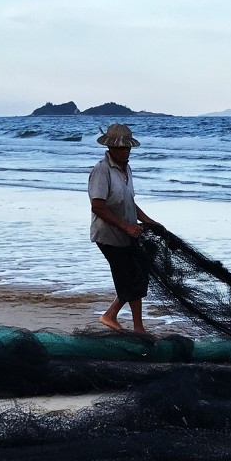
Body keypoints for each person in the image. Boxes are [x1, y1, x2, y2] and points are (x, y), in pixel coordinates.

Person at [88, 123, 161, 333]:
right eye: (120, 148)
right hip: (109, 236)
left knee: (136, 277)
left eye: (127, 148)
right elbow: (98, 207)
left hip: (127, 233)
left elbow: (129, 202)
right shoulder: (102, 171)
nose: (124, 152)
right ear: (110, 148)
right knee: (130, 279)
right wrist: (126, 227)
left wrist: (148, 221)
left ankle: (127, 322)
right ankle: (119, 320)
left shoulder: (126, 168)